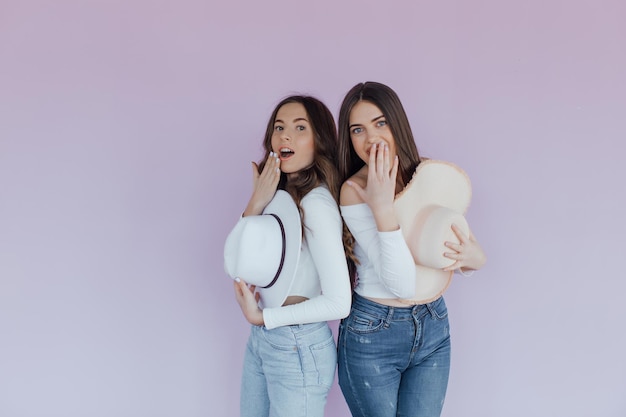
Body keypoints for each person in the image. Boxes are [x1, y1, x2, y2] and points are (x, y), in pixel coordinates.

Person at [336, 81, 487, 417]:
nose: (371, 137)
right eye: (358, 129)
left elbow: (448, 248)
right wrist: (382, 209)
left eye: (380, 123)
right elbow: (401, 285)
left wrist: (473, 261)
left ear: (396, 123)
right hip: (373, 333)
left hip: (433, 323)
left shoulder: (428, 174)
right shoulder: (354, 191)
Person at [224, 95, 351, 417]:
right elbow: (236, 263)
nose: (285, 136)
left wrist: (263, 317)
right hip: (266, 338)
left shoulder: (317, 204)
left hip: (297, 344)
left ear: (319, 140)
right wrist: (256, 203)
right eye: (279, 127)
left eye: (299, 128)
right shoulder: (280, 198)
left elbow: (339, 302)